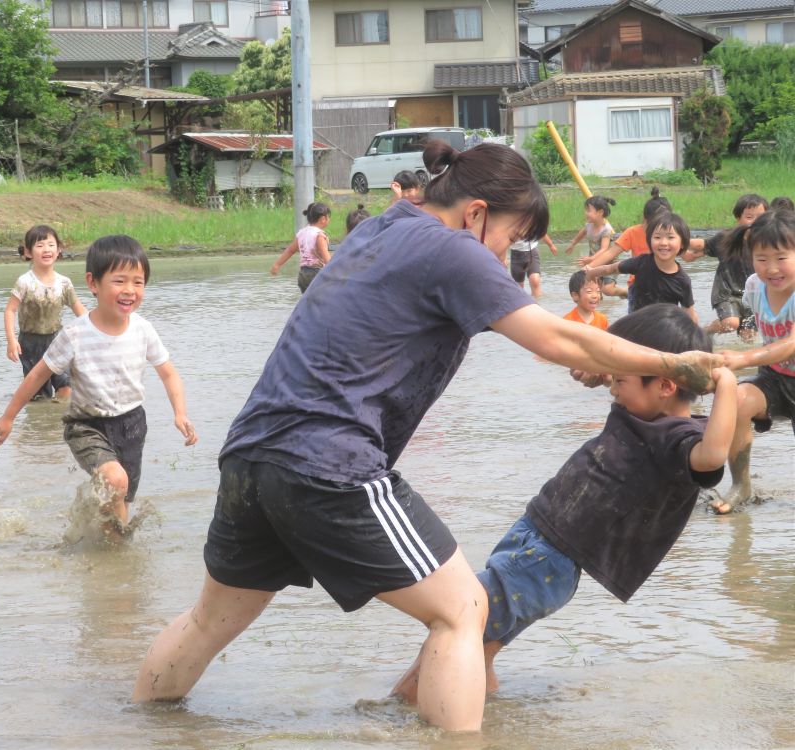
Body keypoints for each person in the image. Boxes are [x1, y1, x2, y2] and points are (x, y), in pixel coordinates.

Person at [131, 141, 720, 733]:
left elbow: (421, 322)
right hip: (329, 461)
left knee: (210, 621)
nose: (502, 257)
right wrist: (674, 365)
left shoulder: (381, 228)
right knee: (464, 609)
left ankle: (133, 730)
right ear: (476, 213)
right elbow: (554, 338)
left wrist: (604, 360)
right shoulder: (455, 250)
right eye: (508, 237)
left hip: (252, 456)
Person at [390, 304, 736, 700]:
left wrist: (725, 381)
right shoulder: (643, 411)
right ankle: (487, 713)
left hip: (548, 559)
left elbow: (711, 456)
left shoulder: (677, 438)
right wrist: (597, 367)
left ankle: (397, 710)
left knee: (462, 627)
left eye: (620, 380)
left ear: (665, 386)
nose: (613, 388)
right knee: (481, 644)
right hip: (536, 539)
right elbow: (608, 369)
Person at [0, 235, 197, 530]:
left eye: (138, 282)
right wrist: (8, 417)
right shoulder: (75, 334)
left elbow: (168, 373)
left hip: (132, 424)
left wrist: (180, 413)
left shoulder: (143, 329)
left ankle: (112, 554)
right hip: (86, 425)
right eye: (120, 281)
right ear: (93, 283)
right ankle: (97, 526)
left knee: (122, 500)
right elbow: (38, 374)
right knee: (116, 480)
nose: (130, 291)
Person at [710, 210, 795, 514]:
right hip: (773, 377)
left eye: (781, 258)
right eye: (762, 258)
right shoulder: (753, 286)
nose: (771, 268)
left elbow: (790, 344)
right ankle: (741, 484)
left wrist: (744, 358)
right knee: (736, 399)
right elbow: (753, 324)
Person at [4, 225, 86, 401]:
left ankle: (56, 422)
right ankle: (40, 423)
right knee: (39, 395)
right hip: (30, 343)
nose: (46, 249)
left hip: (57, 340)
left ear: (59, 250)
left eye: (50, 245)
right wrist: (11, 341)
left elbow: (79, 309)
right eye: (40, 245)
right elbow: (10, 310)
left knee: (66, 386)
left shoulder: (64, 283)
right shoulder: (25, 282)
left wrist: (99, 329)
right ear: (28, 252)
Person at [586, 212, 698, 325]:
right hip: (635, 324)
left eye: (670, 237)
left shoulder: (682, 281)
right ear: (649, 240)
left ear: (683, 243)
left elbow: (690, 314)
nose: (663, 243)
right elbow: (610, 269)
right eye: (657, 237)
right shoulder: (641, 262)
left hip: (663, 331)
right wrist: (590, 273)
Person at [683, 194, 768, 335]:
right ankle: (706, 331)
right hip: (726, 292)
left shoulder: (768, 243)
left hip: (753, 294)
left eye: (760, 217)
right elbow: (702, 244)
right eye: (749, 217)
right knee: (731, 323)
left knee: (749, 337)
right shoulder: (726, 238)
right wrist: (677, 241)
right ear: (738, 218)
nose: (755, 222)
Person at [565, 195, 626, 298]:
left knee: (607, 290)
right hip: (594, 262)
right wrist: (573, 244)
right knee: (594, 288)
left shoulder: (606, 230)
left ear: (600, 212)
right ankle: (598, 308)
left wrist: (590, 259)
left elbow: (604, 249)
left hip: (609, 264)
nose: (586, 213)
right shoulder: (589, 225)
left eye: (589, 210)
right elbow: (582, 233)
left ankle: (624, 293)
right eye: (586, 210)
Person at [270, 202, 332, 293]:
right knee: (322, 303)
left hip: (303, 274)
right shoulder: (319, 235)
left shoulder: (302, 233)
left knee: (308, 303)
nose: (329, 219)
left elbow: (290, 250)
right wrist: (337, 272)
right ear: (323, 219)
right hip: (316, 273)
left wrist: (277, 265)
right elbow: (326, 258)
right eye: (328, 217)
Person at [510, 234, 557, 298]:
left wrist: (551, 245)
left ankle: (537, 303)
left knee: (535, 280)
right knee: (518, 288)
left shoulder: (531, 223)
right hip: (516, 254)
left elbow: (541, 232)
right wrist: (503, 257)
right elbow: (503, 236)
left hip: (531, 252)